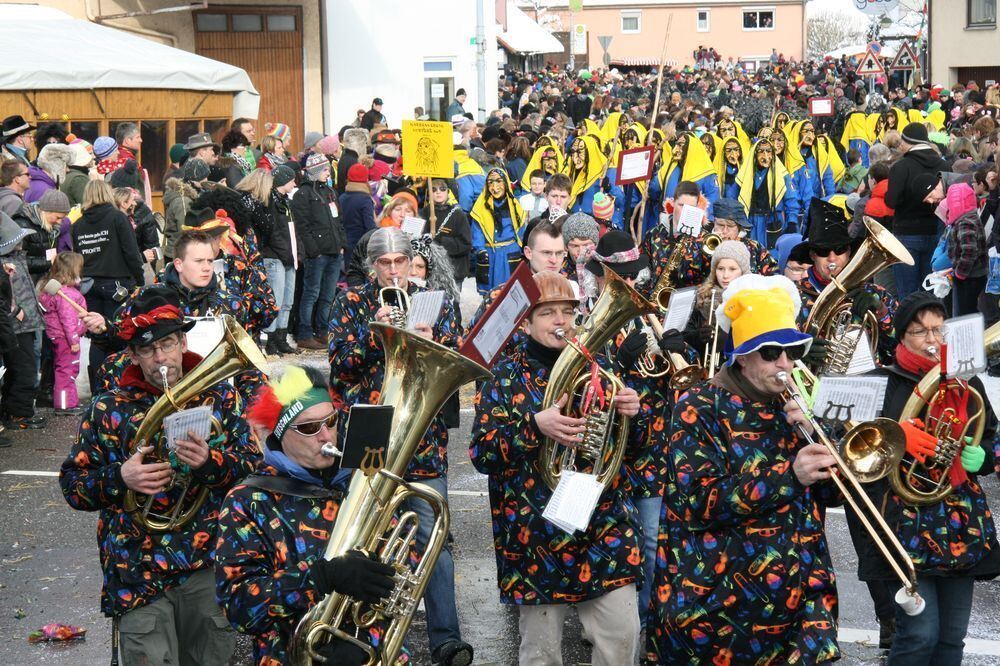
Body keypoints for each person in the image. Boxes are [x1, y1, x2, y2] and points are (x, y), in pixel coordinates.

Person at [59, 286, 258, 666]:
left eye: (167, 344)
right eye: (148, 350)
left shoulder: (219, 398)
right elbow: (72, 486)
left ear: (183, 341)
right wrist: (121, 478)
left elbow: (252, 470)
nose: (161, 358)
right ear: (132, 353)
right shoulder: (108, 407)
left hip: (205, 563)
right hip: (136, 571)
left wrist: (211, 463)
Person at [647, 273, 840, 664]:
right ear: (742, 354)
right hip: (720, 611)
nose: (784, 363)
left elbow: (833, 493)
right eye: (771, 352)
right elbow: (699, 502)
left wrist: (821, 436)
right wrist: (791, 474)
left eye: (792, 352)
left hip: (801, 602)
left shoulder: (797, 404)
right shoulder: (697, 407)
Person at [470, 270, 644, 666]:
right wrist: (534, 425)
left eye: (567, 311)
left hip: (603, 524)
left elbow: (635, 450)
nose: (561, 321)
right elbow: (482, 454)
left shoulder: (602, 364)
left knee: (622, 638)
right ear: (526, 322)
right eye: (548, 313)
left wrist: (636, 414)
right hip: (536, 533)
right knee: (541, 655)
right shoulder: (504, 375)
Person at [328, 227, 473, 665]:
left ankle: (445, 639)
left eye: (400, 262)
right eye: (384, 264)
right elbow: (340, 366)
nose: (393, 272)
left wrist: (426, 339)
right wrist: (379, 334)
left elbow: (455, 362)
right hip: (372, 434)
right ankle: (370, 637)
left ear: (413, 262)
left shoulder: (435, 299)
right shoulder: (353, 302)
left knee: (434, 542)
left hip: (422, 434)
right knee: (366, 537)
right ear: (372, 267)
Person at [848, 291, 1000, 663]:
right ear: (901, 337)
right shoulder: (881, 382)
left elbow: (989, 436)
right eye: (920, 332)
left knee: (952, 638)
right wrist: (898, 436)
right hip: (905, 523)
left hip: (960, 521)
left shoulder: (966, 381)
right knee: (919, 634)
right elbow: (856, 452)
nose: (932, 340)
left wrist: (979, 458)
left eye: (938, 330)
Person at [215, 365, 399, 665]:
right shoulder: (249, 500)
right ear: (280, 433)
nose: (326, 436)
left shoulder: (364, 479)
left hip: (377, 650)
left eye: (331, 421)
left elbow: (405, 561)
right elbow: (238, 606)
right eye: (310, 428)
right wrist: (321, 578)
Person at [797, 197, 898, 368]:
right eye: (823, 251)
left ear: (849, 252)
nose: (832, 258)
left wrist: (881, 312)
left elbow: (899, 349)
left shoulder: (876, 293)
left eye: (839, 250)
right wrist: (799, 352)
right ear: (813, 255)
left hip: (869, 382)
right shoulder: (792, 296)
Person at [71, 179, 144, 389]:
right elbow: (132, 253)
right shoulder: (117, 218)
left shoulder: (78, 225)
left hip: (89, 286)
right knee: (119, 334)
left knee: (98, 336)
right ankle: (120, 384)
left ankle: (98, 386)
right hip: (117, 286)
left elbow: (78, 257)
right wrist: (139, 280)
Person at [885, 123, 948, 298]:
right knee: (932, 289)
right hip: (936, 232)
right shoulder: (944, 165)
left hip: (906, 233)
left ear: (907, 142)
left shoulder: (901, 166)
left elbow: (891, 201)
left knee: (908, 293)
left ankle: (911, 325)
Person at [292, 152, 345, 349]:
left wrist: (341, 244)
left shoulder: (330, 192)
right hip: (318, 254)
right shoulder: (303, 195)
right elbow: (302, 226)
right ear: (314, 171)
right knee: (311, 293)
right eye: (324, 169)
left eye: (328, 169)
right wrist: (314, 251)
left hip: (333, 251)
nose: (327, 173)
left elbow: (338, 220)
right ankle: (305, 332)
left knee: (328, 294)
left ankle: (322, 331)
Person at [0, 213, 45, 430]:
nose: (21, 242)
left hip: (23, 323)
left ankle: (12, 411)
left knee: (19, 369)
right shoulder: (6, 264)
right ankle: (19, 413)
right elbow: (6, 296)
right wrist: (16, 311)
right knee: (23, 369)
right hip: (18, 323)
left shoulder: (16, 259)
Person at [260, 165, 303, 356]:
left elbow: (294, 231)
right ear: (283, 181)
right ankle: (270, 339)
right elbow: (273, 232)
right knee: (275, 301)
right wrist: (286, 252)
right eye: (292, 179)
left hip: (288, 257)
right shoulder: (270, 202)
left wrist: (297, 252)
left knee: (287, 301)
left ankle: (281, 337)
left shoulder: (286, 202)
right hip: (276, 257)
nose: (294, 183)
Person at [37, 252, 86, 414]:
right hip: (66, 339)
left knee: (64, 370)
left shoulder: (59, 292)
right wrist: (73, 341)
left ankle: (69, 401)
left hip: (59, 337)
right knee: (67, 371)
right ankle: (65, 405)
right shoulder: (67, 294)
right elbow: (68, 320)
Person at [470, 167, 526, 293]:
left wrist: (521, 248)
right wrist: (480, 250)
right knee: (491, 294)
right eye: (490, 182)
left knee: (512, 291)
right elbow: (477, 231)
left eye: (498, 181)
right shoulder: (480, 207)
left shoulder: (514, 205)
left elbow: (521, 229)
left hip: (510, 254)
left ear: (505, 183)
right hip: (490, 254)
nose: (495, 187)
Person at [735, 138, 798, 247]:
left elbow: (791, 200)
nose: (765, 156)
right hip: (751, 222)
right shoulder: (746, 174)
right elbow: (735, 200)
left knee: (773, 257)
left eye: (769, 151)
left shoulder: (782, 174)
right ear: (754, 154)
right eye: (761, 152)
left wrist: (792, 222)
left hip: (773, 222)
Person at [421, 177, 472, 283]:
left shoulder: (458, 214)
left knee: (452, 300)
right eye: (433, 189)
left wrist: (441, 240)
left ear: (448, 192)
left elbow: (466, 244)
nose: (438, 192)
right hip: (432, 271)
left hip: (454, 271)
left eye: (442, 189)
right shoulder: (425, 213)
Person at [163, 158, 209, 261]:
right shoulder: (183, 200)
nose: (206, 180)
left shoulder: (188, 197)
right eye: (203, 177)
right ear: (194, 179)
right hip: (178, 254)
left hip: (180, 251)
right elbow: (185, 230)